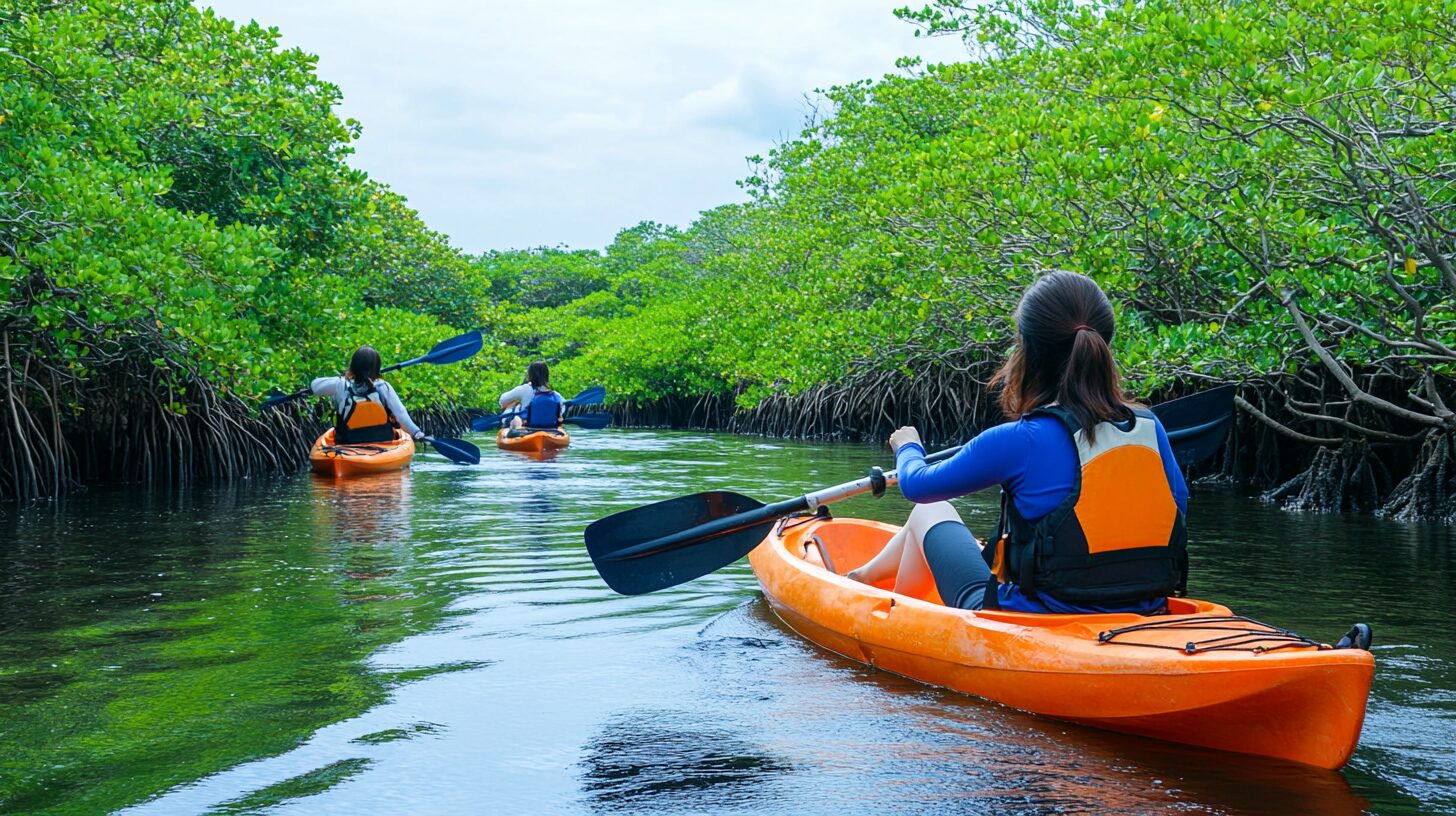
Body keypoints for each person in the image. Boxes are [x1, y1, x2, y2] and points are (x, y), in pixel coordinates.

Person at [847, 271, 1189, 614]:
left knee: (929, 511)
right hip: (1145, 605)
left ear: (1027, 351)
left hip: (1035, 613)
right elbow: (1178, 505)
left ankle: (890, 617)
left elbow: (917, 486)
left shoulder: (1018, 440)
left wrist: (909, 447)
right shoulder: (1149, 427)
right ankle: (862, 576)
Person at [311, 346, 428, 445]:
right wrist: (416, 432)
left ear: (353, 366)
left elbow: (315, 386)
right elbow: (401, 415)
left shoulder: (341, 384)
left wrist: (343, 377)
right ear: (377, 369)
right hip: (383, 443)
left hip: (348, 444)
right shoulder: (383, 386)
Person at [499, 361, 564, 430]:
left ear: (530, 374)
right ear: (547, 375)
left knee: (510, 410)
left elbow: (502, 400)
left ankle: (514, 430)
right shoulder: (556, 395)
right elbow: (563, 409)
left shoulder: (524, 389)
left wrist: (515, 403)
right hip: (551, 428)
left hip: (527, 426)